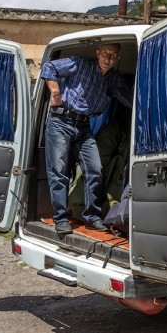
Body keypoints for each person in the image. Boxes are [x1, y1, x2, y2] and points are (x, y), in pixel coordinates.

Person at [40, 43, 132, 235]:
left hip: (84, 126)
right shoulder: (79, 64)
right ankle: (61, 218)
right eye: (105, 53)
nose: (109, 59)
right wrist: (55, 92)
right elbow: (49, 67)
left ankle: (92, 215)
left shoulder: (112, 80)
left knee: (95, 169)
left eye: (114, 56)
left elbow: (130, 99)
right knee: (59, 171)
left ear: (119, 59)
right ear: (97, 53)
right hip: (61, 122)